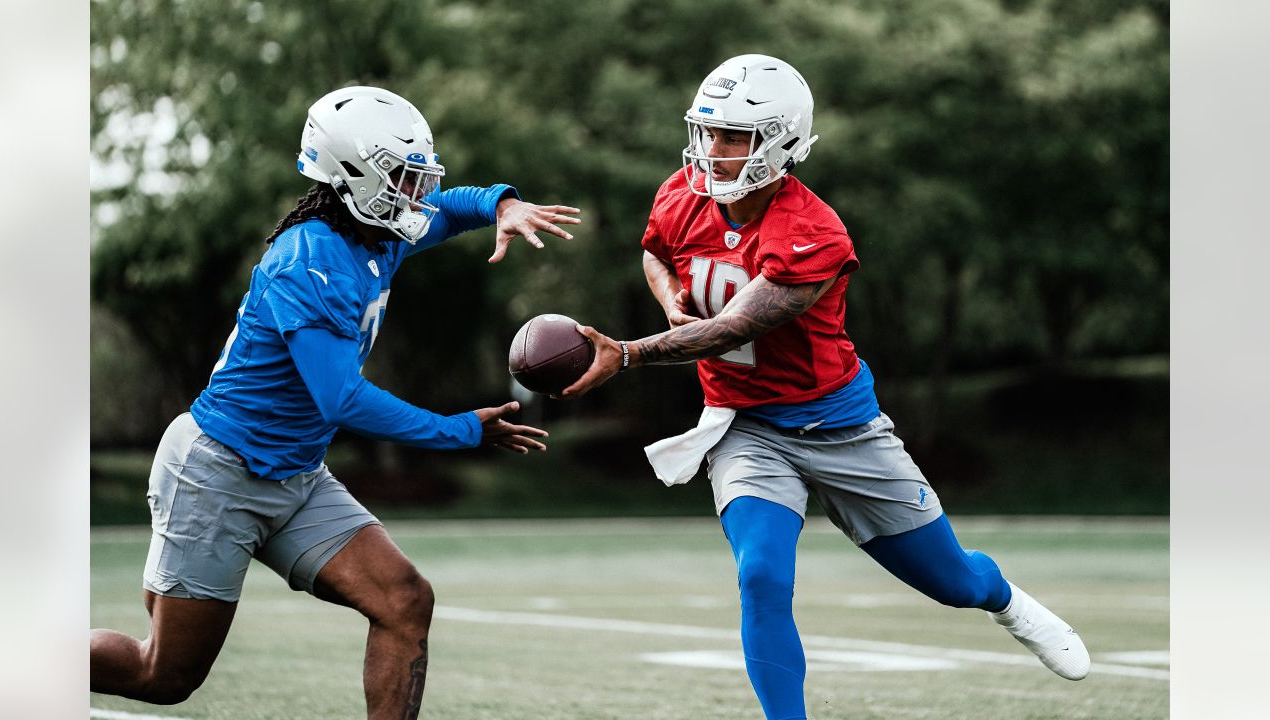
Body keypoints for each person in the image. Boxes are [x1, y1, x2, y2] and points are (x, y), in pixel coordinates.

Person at [561, 55, 1090, 720]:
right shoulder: (680, 193)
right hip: (746, 426)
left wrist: (631, 353)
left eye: (733, 136)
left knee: (952, 582)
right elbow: (658, 251)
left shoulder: (811, 231)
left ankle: (1006, 600)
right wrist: (670, 299)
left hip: (842, 429)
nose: (713, 151)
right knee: (761, 575)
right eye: (706, 132)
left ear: (781, 141)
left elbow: (731, 330)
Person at [90, 85, 580, 718]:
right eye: (401, 178)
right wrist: (459, 430)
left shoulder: (378, 229)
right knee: (164, 675)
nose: (415, 193)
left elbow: (451, 209)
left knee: (405, 600)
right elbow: (340, 399)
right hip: (217, 474)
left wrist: (501, 204)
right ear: (353, 176)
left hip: (295, 474)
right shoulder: (308, 258)